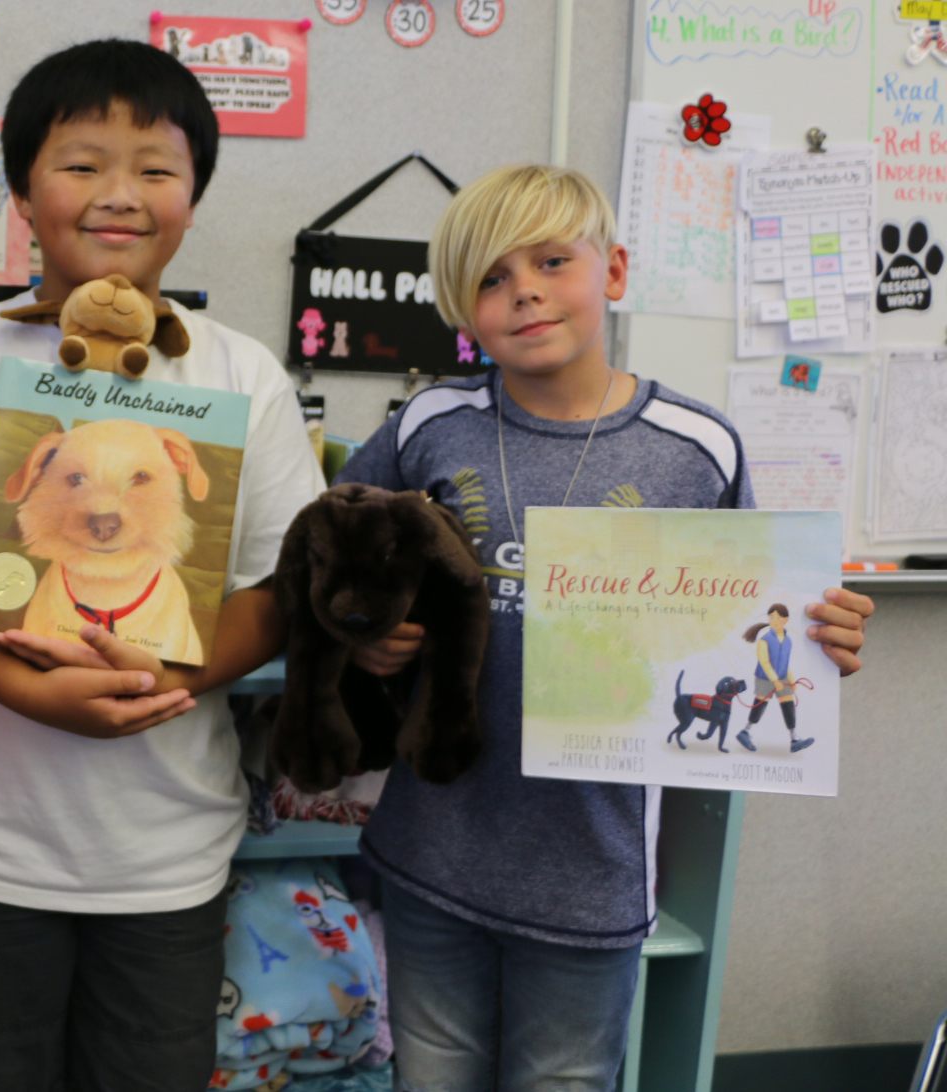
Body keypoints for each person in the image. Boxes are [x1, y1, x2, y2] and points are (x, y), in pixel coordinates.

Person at [337, 163, 874, 1090]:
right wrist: (363, 634)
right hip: (435, 851)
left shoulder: (694, 446)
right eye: (492, 278)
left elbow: (754, 610)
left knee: (566, 1081)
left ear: (615, 271)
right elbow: (338, 556)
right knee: (430, 1078)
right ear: (462, 309)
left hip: (592, 871)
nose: (526, 293)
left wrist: (821, 642)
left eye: (552, 261)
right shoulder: (428, 424)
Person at [0, 38, 325, 1092]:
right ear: (23, 192)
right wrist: (31, 696)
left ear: (194, 194)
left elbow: (276, 593)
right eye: (82, 164)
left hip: (168, 853)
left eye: (156, 169)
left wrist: (161, 680)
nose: (118, 195)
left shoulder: (243, 374)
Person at [740, 602, 810, 752]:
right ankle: (745, 732)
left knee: (788, 704)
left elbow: (786, 662)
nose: (772, 621)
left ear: (785, 620)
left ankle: (794, 739)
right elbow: (764, 662)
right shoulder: (764, 640)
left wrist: (790, 679)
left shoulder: (788, 641)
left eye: (776, 618)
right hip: (765, 677)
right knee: (761, 703)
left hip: (782, 677)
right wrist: (775, 680)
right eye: (770, 618)